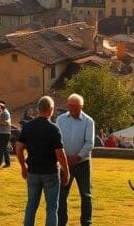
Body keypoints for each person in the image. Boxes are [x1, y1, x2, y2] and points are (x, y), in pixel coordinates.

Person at [17, 96, 70, 226]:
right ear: (51, 109)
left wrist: (23, 167)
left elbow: (18, 148)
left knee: (31, 205)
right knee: (52, 207)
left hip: (33, 171)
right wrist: (66, 171)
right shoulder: (53, 129)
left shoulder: (28, 126)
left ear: (38, 109)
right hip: (50, 172)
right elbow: (60, 154)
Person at [57, 93, 95, 226]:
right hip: (64, 163)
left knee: (86, 195)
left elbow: (89, 143)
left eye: (76, 106)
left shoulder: (88, 121)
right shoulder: (60, 119)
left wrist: (78, 157)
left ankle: (86, 223)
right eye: (70, 106)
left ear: (81, 106)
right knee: (61, 195)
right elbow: (57, 140)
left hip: (82, 163)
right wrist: (64, 158)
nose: (72, 109)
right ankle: (61, 222)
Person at [0, 100, 12, 168]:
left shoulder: (5, 113)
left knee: (3, 148)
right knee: (2, 148)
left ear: (2, 106)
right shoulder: (3, 112)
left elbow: (7, 123)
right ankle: (0, 163)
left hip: (4, 133)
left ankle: (5, 163)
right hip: (2, 132)